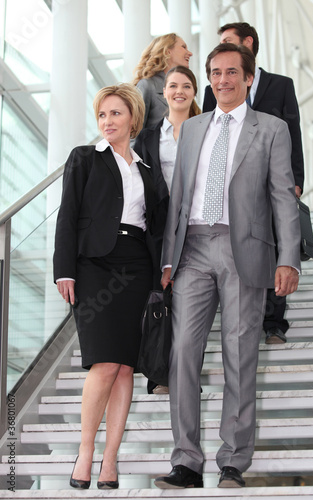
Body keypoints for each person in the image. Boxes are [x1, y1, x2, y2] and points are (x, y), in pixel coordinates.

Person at [154, 43, 300, 489]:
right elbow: (179, 194)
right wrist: (167, 257)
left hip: (245, 249)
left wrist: (289, 258)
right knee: (182, 353)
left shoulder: (271, 129)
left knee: (241, 355)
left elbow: (282, 195)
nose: (222, 80)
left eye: (232, 72)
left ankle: (233, 460)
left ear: (249, 78)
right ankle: (186, 461)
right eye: (215, 73)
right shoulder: (194, 128)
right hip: (193, 248)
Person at [53, 84, 168, 490]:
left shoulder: (148, 170)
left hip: (137, 266)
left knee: (125, 368)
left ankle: (110, 460)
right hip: (94, 267)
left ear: (132, 119)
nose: (107, 122)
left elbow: (158, 228)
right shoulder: (84, 158)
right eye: (102, 115)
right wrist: (63, 270)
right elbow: (68, 214)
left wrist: (164, 271)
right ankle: (85, 452)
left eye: (116, 114)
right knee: (103, 363)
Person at [202, 22, 304, 345]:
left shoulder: (281, 85)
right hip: (232, 187)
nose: (222, 76)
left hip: (272, 180)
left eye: (229, 42)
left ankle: (273, 322)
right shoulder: (212, 91)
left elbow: (294, 133)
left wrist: (296, 180)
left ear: (247, 43)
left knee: (273, 244)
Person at [135, 65, 201, 394]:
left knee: (192, 302)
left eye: (186, 86)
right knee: (161, 298)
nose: (178, 91)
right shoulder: (147, 138)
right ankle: (160, 372)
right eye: (172, 85)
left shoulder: (207, 130)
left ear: (194, 92)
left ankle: (186, 374)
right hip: (160, 229)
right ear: (163, 93)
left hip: (199, 226)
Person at [133, 33, 193, 129]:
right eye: (183, 47)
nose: (190, 53)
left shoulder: (186, 88)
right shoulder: (147, 85)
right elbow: (134, 134)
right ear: (167, 52)